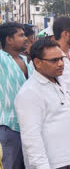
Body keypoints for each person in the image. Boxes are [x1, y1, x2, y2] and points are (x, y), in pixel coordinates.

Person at [15, 39, 70, 169]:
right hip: (50, 164)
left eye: (61, 59)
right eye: (54, 60)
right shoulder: (30, 93)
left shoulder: (56, 82)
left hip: (66, 160)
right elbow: (31, 138)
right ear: (37, 63)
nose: (60, 64)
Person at [0, 22, 33, 169]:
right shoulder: (1, 58)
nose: (26, 38)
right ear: (8, 39)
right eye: (21, 35)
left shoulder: (27, 61)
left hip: (30, 125)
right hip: (10, 127)